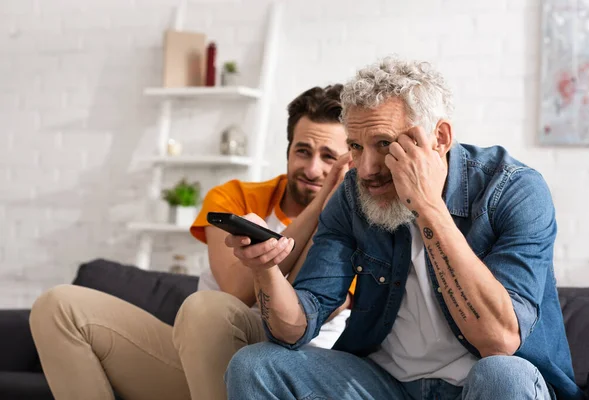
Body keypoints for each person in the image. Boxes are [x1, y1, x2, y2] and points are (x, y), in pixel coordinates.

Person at [224, 58, 584, 400]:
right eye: (355, 146)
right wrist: (265, 269)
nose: (365, 168)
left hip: (485, 386)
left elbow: (499, 339)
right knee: (255, 365)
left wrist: (428, 206)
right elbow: (296, 326)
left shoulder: (513, 190)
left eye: (384, 144)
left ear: (439, 138)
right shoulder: (352, 196)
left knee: (503, 374)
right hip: (385, 384)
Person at [29, 84, 353, 400]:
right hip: (199, 361)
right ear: (287, 150)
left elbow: (296, 321)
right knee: (57, 306)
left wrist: (330, 209)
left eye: (328, 158)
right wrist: (321, 200)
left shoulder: (351, 226)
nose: (312, 168)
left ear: (348, 163)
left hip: (280, 373)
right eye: (303, 151)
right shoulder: (235, 196)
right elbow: (235, 292)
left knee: (205, 309)